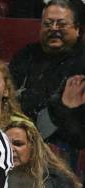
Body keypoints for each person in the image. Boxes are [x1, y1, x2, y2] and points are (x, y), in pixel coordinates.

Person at [9, 0, 84, 162]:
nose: (54, 29)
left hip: (65, 143)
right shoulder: (26, 55)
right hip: (19, 133)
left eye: (61, 24)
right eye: (48, 24)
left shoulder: (82, 62)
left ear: (77, 28)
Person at [2, 117, 82, 188]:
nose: (11, 149)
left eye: (18, 144)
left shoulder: (57, 181)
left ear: (33, 147)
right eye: (5, 144)